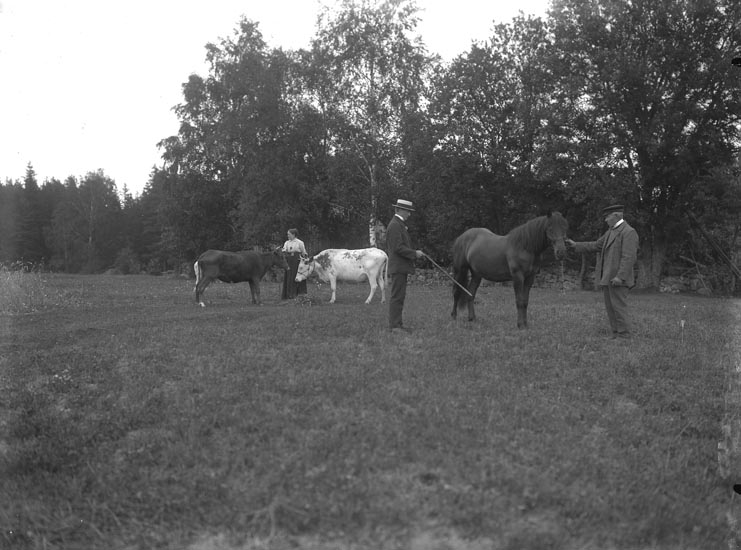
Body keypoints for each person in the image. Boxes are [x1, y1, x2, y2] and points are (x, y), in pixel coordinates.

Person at [566, 204, 639, 339]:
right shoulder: (611, 231)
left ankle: (624, 335)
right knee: (611, 308)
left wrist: (620, 277)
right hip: (608, 277)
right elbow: (595, 245)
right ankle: (616, 333)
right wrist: (576, 245)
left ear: (616, 216)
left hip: (618, 279)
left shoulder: (629, 232)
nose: (605, 220)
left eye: (607, 217)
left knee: (619, 307)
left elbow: (629, 258)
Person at [386, 199, 424, 333]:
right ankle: (395, 326)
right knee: (397, 296)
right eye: (407, 211)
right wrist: (415, 253)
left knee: (399, 296)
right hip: (398, 267)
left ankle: (398, 324)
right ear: (399, 210)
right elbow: (398, 248)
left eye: (409, 211)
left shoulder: (399, 224)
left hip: (400, 267)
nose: (409, 214)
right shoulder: (395, 225)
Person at [281, 228, 307, 299]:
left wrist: (304, 260)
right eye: (287, 234)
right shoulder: (287, 242)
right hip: (289, 261)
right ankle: (288, 294)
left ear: (293, 234)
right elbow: (284, 250)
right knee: (289, 276)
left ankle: (298, 294)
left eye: (289, 234)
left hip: (297, 262)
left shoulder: (300, 242)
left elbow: (303, 252)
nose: (288, 236)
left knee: (296, 276)